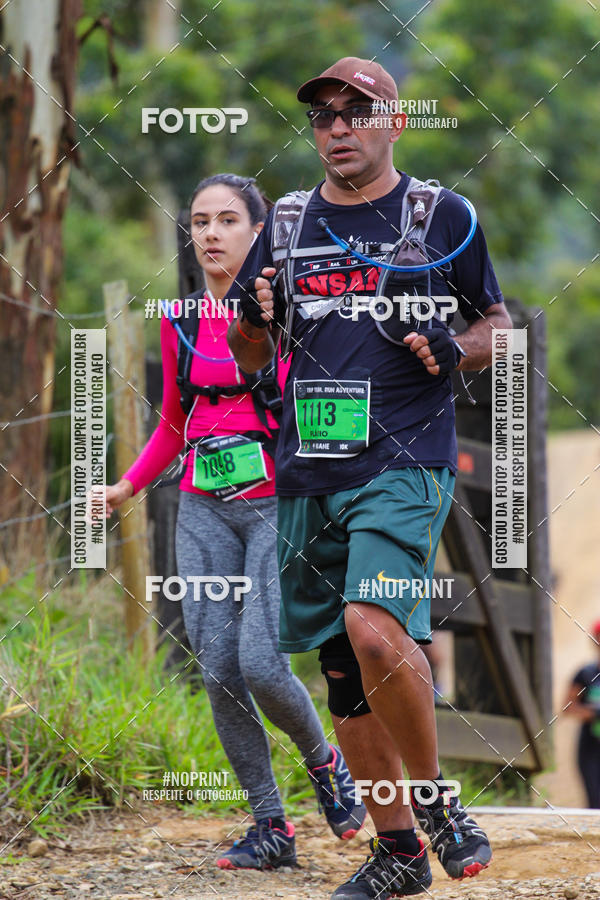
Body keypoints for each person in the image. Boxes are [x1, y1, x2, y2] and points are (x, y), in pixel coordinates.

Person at [227, 58, 513, 899]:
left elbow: (497, 322)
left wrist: (456, 349)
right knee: (345, 670)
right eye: (323, 116)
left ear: (393, 121)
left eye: (357, 112)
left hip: (404, 459)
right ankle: (398, 853)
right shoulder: (282, 226)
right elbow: (250, 354)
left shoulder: (440, 214)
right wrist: (257, 318)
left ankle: (436, 803)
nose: (338, 128)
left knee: (375, 626)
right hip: (309, 470)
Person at [100, 173, 366, 872]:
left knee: (259, 661)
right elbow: (173, 423)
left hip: (277, 505)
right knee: (216, 669)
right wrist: (126, 488)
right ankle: (270, 828)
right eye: (199, 221)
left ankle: (325, 763)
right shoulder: (180, 316)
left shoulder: (292, 311)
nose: (211, 233)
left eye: (226, 220)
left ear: (257, 233)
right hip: (201, 507)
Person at [565, 619, 600, 808]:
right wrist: (591, 712)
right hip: (591, 749)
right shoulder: (586, 674)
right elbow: (567, 707)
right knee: (595, 802)